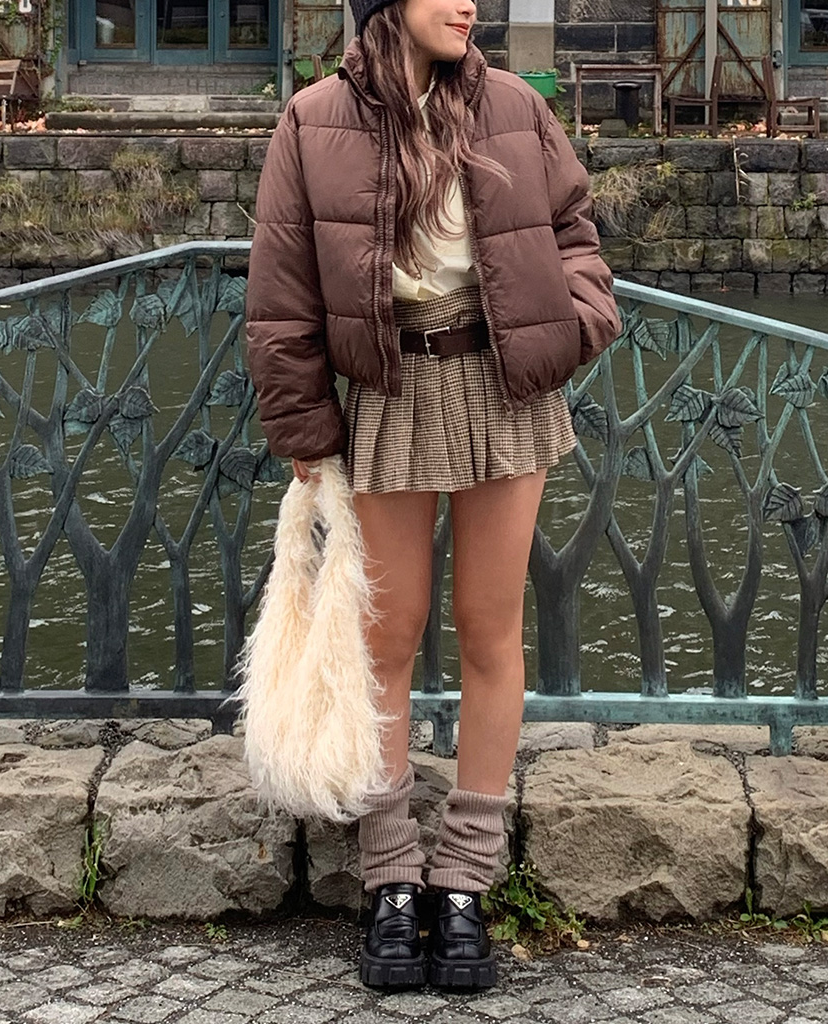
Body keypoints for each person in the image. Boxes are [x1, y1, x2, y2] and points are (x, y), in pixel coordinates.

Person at [245, 0, 620, 993]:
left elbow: (577, 235)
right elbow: (280, 298)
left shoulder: (514, 106)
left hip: (506, 390)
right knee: (386, 636)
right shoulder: (312, 120)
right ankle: (391, 877)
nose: (470, 5)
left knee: (490, 632)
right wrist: (304, 429)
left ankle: (462, 881)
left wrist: (571, 327)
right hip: (390, 394)